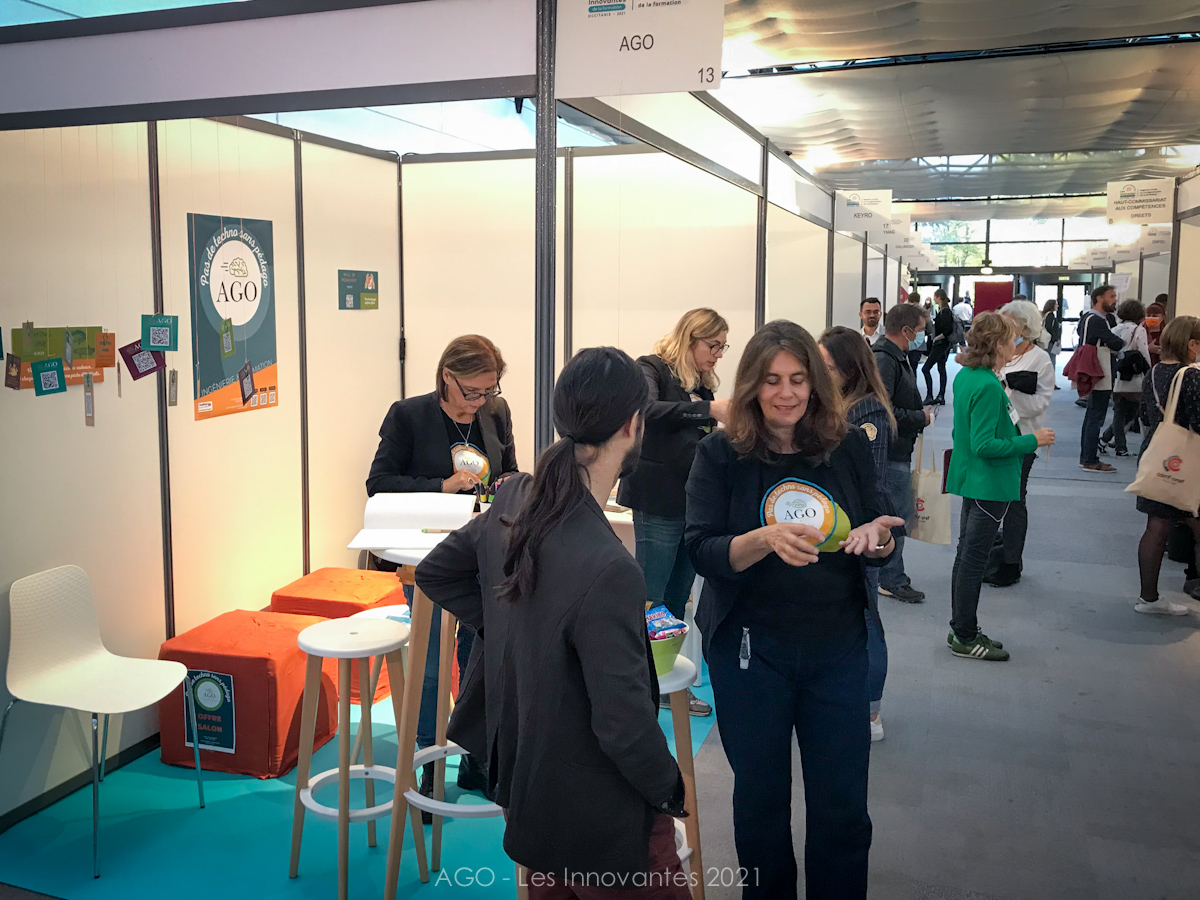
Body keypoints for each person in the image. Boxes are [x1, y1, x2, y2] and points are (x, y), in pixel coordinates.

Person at [415, 347, 690, 899]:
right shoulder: (611, 567)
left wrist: (518, 629)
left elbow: (435, 572)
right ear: (632, 425)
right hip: (601, 810)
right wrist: (670, 790)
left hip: (528, 787)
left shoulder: (516, 495)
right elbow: (624, 724)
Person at [686, 320, 902, 900]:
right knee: (760, 803)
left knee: (843, 806)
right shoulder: (720, 454)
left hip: (838, 649)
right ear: (751, 385)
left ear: (816, 384)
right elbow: (700, 548)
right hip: (751, 654)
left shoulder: (846, 446)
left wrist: (878, 540)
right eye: (772, 380)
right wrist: (763, 540)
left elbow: (881, 525)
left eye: (799, 379)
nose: (786, 393)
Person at [365, 334, 518, 809]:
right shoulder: (409, 415)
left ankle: (476, 755)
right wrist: (442, 485)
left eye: (488, 391)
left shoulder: (496, 412)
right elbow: (378, 483)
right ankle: (429, 760)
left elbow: (509, 469)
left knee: (480, 657)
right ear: (446, 376)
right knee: (432, 661)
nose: (480, 401)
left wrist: (507, 483)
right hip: (429, 560)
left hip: (483, 552)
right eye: (471, 391)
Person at [619, 308, 731, 717]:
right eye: (713, 345)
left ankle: (660, 677)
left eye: (723, 347)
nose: (718, 354)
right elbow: (646, 412)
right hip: (657, 500)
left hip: (691, 503)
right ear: (690, 338)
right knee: (650, 595)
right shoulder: (650, 368)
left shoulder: (699, 383)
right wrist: (710, 410)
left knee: (678, 598)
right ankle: (637, 683)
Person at [945, 313, 1055, 660]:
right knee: (973, 561)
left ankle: (961, 628)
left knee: (966, 556)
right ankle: (965, 635)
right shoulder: (988, 386)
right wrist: (1031, 440)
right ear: (998, 345)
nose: (1015, 346)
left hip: (973, 478)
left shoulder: (968, 377)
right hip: (988, 483)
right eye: (1011, 340)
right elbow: (984, 445)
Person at [819, 326, 897, 742]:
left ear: (849, 369)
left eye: (827, 367)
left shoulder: (867, 413)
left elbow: (871, 482)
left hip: (860, 533)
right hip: (833, 531)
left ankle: (870, 711)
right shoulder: (836, 405)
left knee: (866, 621)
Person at [985, 301, 1055, 587]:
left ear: (1024, 328)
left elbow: (1040, 402)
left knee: (1015, 499)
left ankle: (1011, 561)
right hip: (994, 437)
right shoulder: (996, 352)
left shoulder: (1040, 359)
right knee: (990, 497)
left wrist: (1006, 394)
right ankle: (990, 554)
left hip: (1024, 438)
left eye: (1010, 324)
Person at [1134, 316, 1200, 616]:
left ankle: (1148, 598)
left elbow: (1145, 415)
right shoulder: (1191, 376)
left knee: (1156, 527)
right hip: (1187, 460)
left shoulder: (1154, 372)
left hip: (1157, 454)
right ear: (1192, 344)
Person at [873, 303, 934, 604]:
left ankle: (890, 575)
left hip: (898, 447)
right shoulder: (885, 359)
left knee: (899, 513)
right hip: (890, 450)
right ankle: (891, 578)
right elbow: (882, 410)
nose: (923, 336)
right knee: (896, 516)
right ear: (907, 330)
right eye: (920, 330)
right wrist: (919, 417)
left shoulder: (897, 357)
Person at [1077, 284, 1125, 473]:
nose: (1115, 300)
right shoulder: (1095, 319)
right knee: (1096, 415)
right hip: (1098, 367)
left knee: (1093, 414)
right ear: (1099, 298)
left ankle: (1087, 457)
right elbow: (1113, 341)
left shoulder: (1093, 318)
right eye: (1111, 296)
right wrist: (1120, 342)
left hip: (1097, 366)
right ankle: (1089, 459)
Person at [1100, 299, 1151, 457]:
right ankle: (1120, 447)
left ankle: (1105, 440)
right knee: (1130, 412)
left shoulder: (1114, 329)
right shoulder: (1139, 331)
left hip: (1117, 373)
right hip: (1134, 375)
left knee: (1120, 411)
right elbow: (1144, 353)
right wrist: (1150, 372)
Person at [922, 289, 954, 405]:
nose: (934, 299)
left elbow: (948, 329)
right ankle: (940, 395)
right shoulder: (943, 310)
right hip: (944, 345)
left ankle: (930, 395)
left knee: (926, 368)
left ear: (939, 297)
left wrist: (937, 338)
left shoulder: (945, 311)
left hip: (940, 345)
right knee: (941, 368)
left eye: (935, 297)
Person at [1042, 299, 1063, 388]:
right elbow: (1049, 327)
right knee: (1051, 361)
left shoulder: (1045, 315)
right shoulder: (1050, 315)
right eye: (1056, 304)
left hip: (1048, 341)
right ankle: (1050, 383)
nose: (1057, 306)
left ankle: (1048, 382)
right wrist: (1055, 338)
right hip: (1050, 341)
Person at [1145, 294, 1167, 365]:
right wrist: (1147, 349)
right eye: (1148, 315)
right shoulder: (1140, 333)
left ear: (1163, 317)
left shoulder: (1166, 334)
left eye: (1155, 316)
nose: (1151, 318)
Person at [905, 293, 925, 371]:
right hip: (919, 342)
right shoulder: (922, 312)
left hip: (907, 341)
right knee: (914, 367)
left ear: (908, 300)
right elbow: (929, 328)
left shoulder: (904, 311)